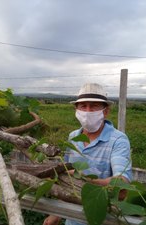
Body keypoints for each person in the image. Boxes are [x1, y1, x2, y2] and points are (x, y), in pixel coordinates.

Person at [43, 83, 132, 225]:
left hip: (101, 220)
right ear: (76, 110)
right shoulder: (73, 136)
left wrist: (83, 181)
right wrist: (57, 213)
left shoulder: (118, 140)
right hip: (72, 219)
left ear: (106, 111)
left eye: (94, 106)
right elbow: (66, 179)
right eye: (83, 106)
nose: (88, 111)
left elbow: (121, 186)